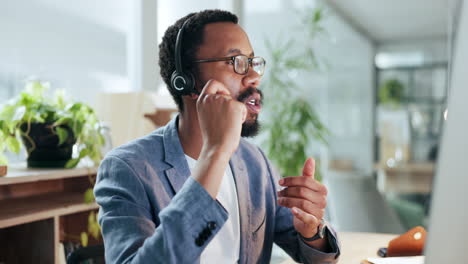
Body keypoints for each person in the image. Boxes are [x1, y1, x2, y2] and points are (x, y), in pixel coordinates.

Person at [94, 9, 340, 263]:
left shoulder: (254, 161)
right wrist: (215, 153)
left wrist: (312, 231)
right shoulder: (126, 169)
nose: (254, 77)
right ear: (186, 82)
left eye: (252, 62)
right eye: (235, 62)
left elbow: (317, 256)